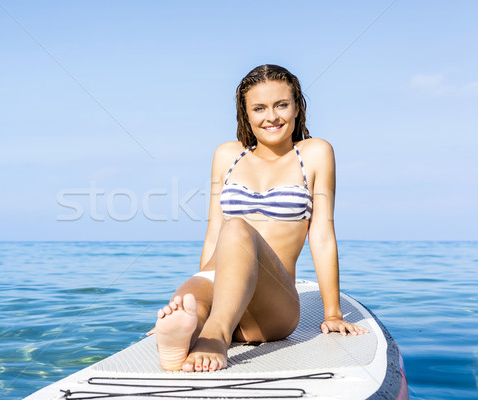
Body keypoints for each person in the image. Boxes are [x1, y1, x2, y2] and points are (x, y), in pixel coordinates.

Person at [147, 64, 368, 373]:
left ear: (297, 107)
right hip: (217, 279)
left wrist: (332, 313)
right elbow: (213, 234)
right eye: (259, 108)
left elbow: (322, 236)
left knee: (236, 227)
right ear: (246, 114)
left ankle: (215, 334)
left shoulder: (315, 153)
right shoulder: (227, 155)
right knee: (193, 302)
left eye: (281, 105)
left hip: (272, 301)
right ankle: (189, 327)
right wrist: (209, 298)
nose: (271, 116)